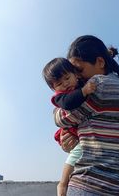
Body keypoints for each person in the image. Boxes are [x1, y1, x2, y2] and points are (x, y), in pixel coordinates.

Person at [54, 35, 119, 196]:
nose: (76, 77)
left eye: (78, 70)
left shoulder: (97, 85)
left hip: (92, 185)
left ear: (100, 62)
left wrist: (56, 112)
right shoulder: (117, 84)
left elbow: (63, 118)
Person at [42, 57, 96, 196]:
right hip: (71, 132)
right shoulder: (60, 97)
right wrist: (84, 91)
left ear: (75, 74)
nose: (65, 84)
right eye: (59, 83)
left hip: (79, 132)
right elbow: (68, 103)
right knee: (77, 153)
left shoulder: (80, 83)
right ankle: (63, 184)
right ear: (54, 88)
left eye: (67, 78)